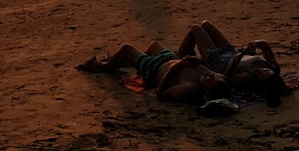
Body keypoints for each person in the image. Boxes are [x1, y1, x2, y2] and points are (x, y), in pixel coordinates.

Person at [175, 20, 290, 107]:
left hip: (217, 59)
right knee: (205, 24)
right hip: (230, 51)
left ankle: (179, 61)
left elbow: (224, 80)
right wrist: (256, 44)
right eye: (265, 70)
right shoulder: (273, 67)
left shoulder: (246, 78)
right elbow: (266, 46)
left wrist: (234, 64)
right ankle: (183, 59)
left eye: (260, 74)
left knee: (195, 29)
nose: (261, 70)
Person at [76, 41, 230, 104]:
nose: (211, 75)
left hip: (154, 69)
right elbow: (211, 69)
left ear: (207, 89)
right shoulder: (218, 78)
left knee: (126, 49)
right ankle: (132, 59)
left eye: (211, 78)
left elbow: (160, 93)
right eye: (214, 75)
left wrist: (177, 67)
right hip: (170, 58)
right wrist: (198, 60)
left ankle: (104, 66)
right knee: (154, 45)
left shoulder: (189, 88)